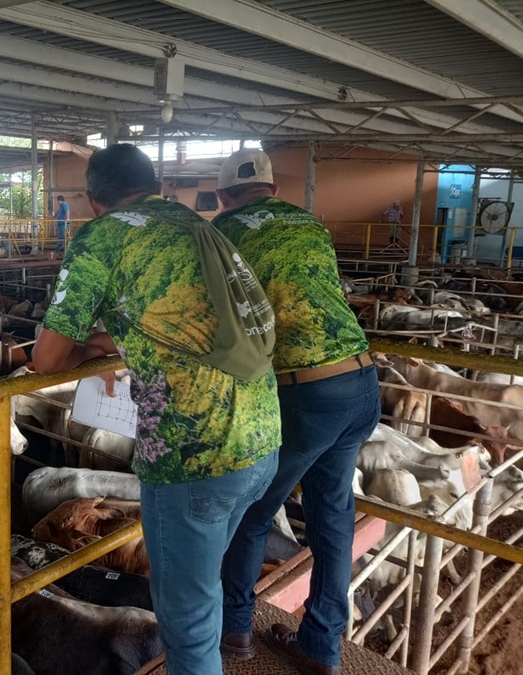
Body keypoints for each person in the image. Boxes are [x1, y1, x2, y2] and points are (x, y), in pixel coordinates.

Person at [32, 143, 281, 675]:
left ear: (92, 199)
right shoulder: (195, 223)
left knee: (184, 621)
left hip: (193, 457)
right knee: (202, 586)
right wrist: (110, 341)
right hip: (261, 441)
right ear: (156, 184)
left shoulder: (102, 236)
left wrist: (82, 349)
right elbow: (182, 323)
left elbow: (45, 358)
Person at [212, 149, 380, 675]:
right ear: (274, 191)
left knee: (253, 511)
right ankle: (322, 646)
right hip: (362, 381)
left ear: (221, 196)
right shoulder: (308, 222)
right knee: (333, 518)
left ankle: (235, 628)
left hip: (305, 394)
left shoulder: (221, 231)